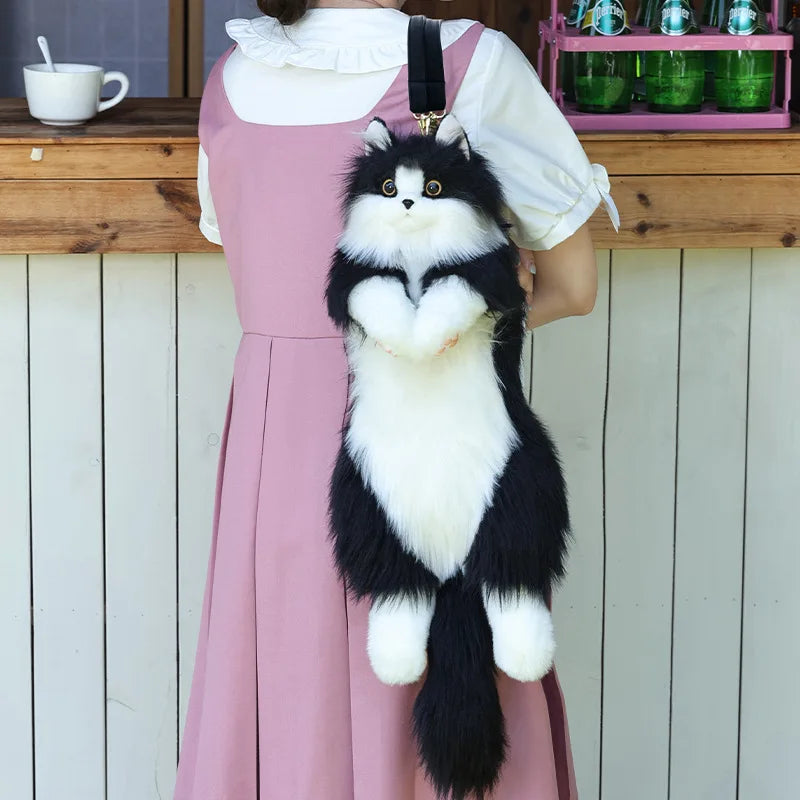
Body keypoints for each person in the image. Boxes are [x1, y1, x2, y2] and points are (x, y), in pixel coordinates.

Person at [176, 2, 618, 799]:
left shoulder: (232, 78)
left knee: (282, 686)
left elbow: (241, 242)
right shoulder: (467, 68)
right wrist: (459, 322)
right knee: (451, 668)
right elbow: (573, 286)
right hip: (427, 441)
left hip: (272, 460)